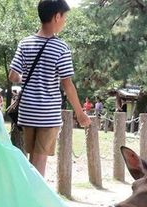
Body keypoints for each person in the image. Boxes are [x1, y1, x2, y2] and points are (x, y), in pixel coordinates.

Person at [8, 0, 91, 177]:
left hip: (27, 112)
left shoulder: (25, 43)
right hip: (47, 113)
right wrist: (80, 113)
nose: (64, 21)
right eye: (64, 17)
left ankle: (29, 197)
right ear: (56, 16)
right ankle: (34, 201)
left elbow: (13, 76)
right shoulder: (60, 47)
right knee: (39, 162)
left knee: (32, 158)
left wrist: (29, 79)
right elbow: (67, 84)